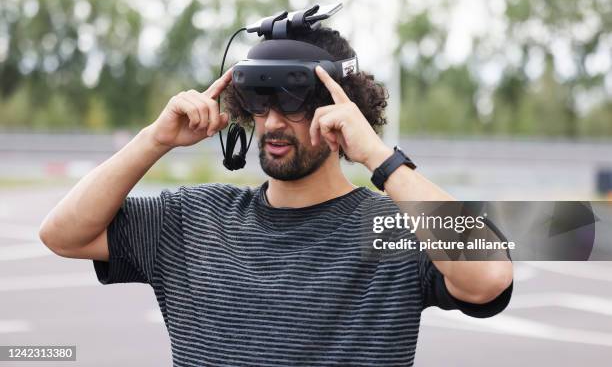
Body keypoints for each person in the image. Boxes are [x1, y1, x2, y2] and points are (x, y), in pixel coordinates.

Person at [39, 27, 513, 366]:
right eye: (259, 102)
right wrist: (154, 140)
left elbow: (489, 275)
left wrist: (378, 157)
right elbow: (62, 234)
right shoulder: (194, 218)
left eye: (295, 101)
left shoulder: (388, 226)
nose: (273, 123)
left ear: (341, 110)